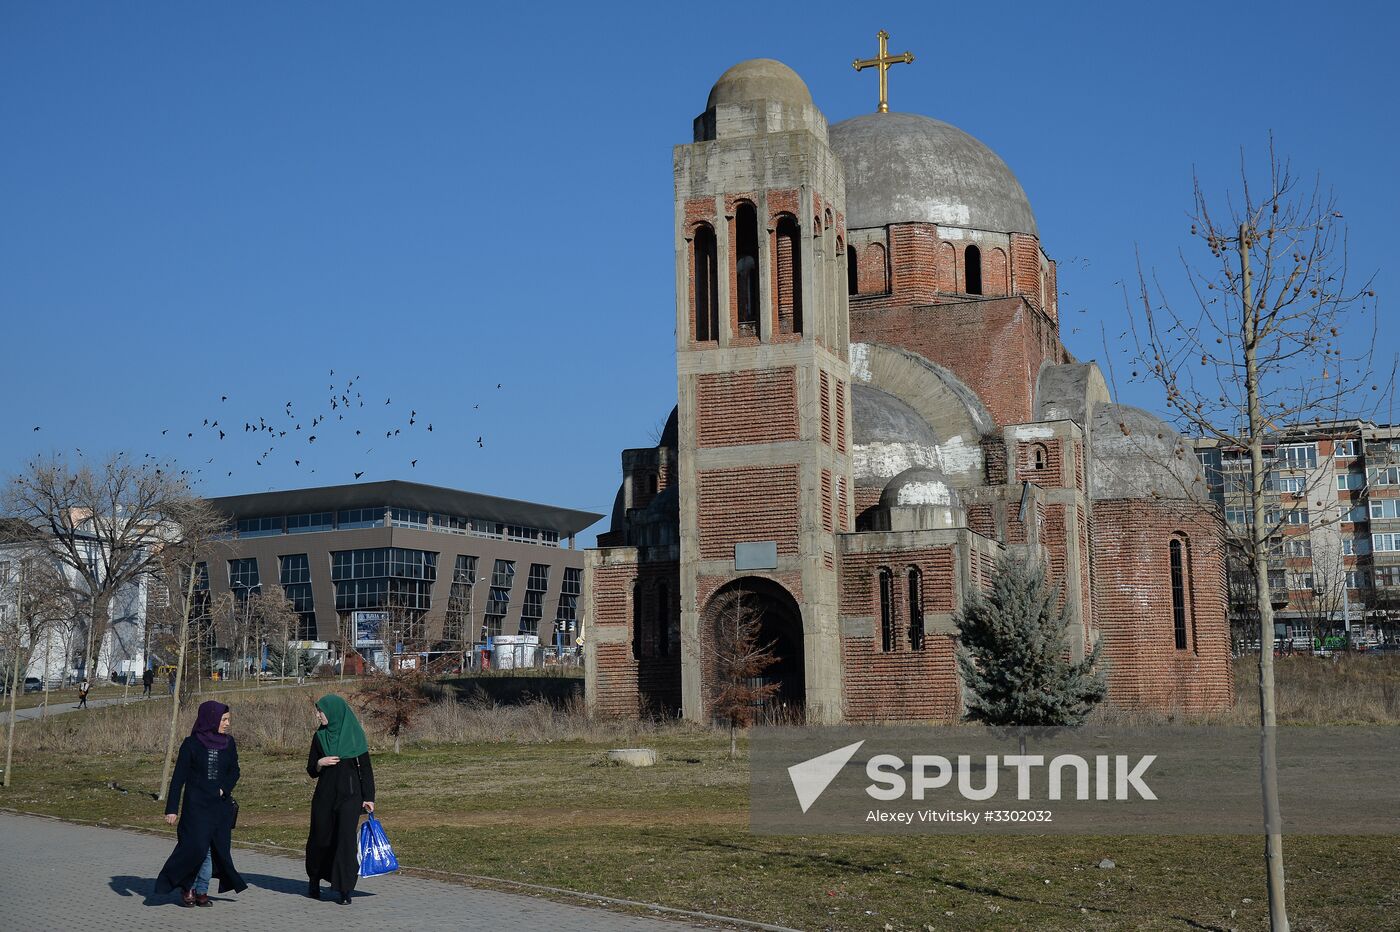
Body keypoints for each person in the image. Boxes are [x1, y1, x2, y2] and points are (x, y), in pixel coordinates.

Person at [155, 701, 248, 906]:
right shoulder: (192, 744)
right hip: (196, 807)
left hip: (220, 809)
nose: (227, 724)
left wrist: (225, 787)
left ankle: (201, 891)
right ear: (211, 719)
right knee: (196, 849)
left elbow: (235, 771)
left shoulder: (228, 743)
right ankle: (187, 887)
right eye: (224, 720)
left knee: (216, 850)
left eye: (228, 720)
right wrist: (171, 809)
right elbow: (178, 778)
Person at [305, 694, 375, 905]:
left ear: (334, 712)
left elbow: (366, 770)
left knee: (345, 841)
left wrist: (369, 797)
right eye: (318, 711)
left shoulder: (354, 736)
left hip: (350, 797)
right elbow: (311, 770)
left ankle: (344, 889)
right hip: (324, 797)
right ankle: (315, 879)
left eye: (321, 711)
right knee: (321, 839)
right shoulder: (320, 737)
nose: (318, 715)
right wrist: (320, 762)